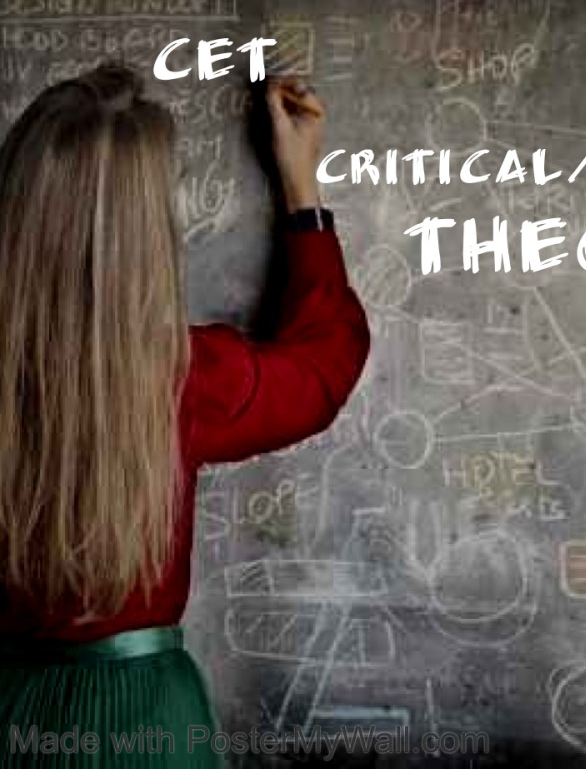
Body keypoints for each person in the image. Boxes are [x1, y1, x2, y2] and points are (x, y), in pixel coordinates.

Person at [0, 63, 371, 766]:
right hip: (148, 723)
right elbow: (326, 364)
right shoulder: (191, 380)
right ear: (150, 232)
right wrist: (302, 190)